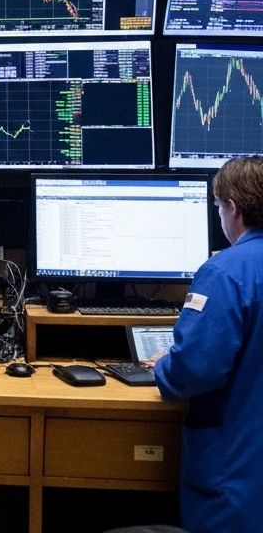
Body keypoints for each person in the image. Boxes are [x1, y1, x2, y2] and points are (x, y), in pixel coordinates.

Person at [148, 155, 263, 533]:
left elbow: (194, 371)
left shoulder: (226, 272)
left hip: (238, 482)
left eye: (217, 206)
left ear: (232, 208)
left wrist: (165, 362)